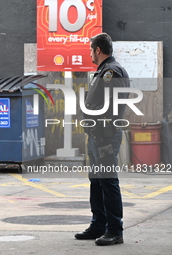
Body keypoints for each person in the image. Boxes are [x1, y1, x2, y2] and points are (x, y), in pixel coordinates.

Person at [75, 33, 130, 246]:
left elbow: (109, 104)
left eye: (91, 49)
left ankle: (115, 230)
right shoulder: (105, 71)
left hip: (105, 135)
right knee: (97, 181)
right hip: (97, 135)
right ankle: (98, 224)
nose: (90, 53)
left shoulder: (110, 72)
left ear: (98, 50)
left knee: (107, 181)